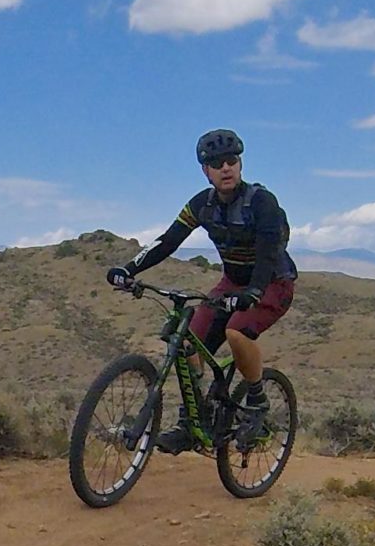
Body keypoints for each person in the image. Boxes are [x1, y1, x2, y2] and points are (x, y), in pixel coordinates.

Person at [106, 128, 297, 452]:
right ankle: (193, 420)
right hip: (232, 283)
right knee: (187, 342)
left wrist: (253, 291)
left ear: (240, 164)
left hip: (273, 282)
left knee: (237, 331)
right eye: (217, 162)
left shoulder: (261, 202)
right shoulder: (201, 205)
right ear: (205, 170)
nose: (226, 167)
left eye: (232, 160)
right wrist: (129, 269)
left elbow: (268, 252)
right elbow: (167, 241)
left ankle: (257, 402)